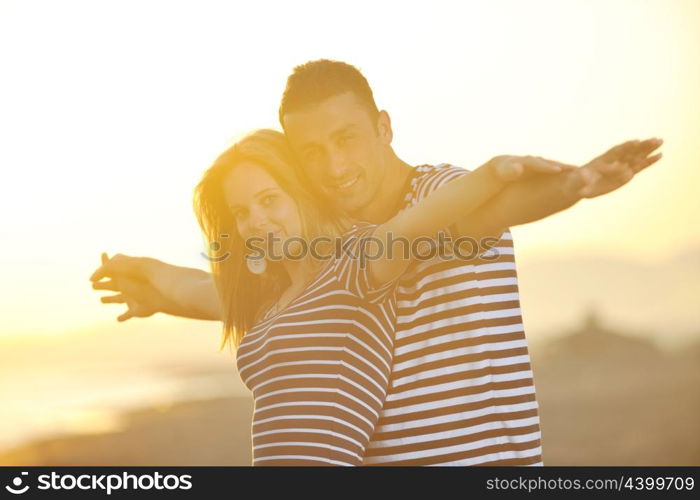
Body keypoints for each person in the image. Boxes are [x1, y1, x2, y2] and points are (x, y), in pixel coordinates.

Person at [90, 60, 662, 465]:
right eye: (312, 152)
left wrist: (577, 184)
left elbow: (496, 208)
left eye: (347, 139)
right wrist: (156, 289)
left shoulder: (441, 193)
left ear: (383, 127)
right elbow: (245, 296)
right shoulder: (335, 246)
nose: (334, 165)